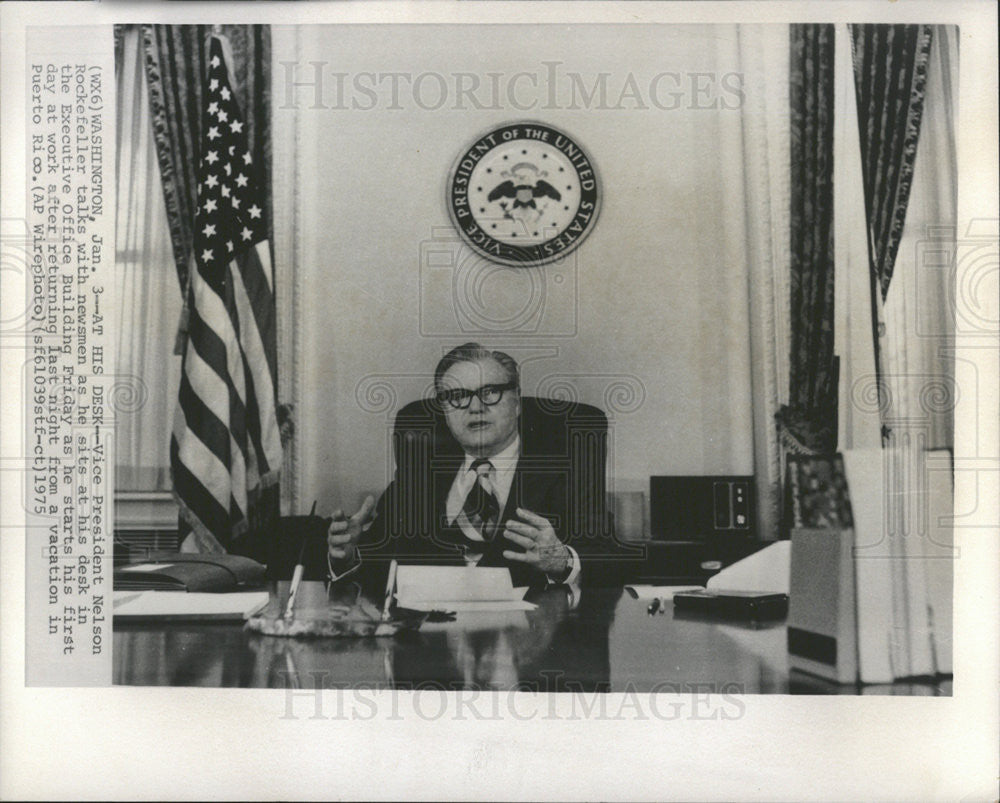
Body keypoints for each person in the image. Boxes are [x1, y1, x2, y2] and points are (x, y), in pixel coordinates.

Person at [326, 342, 631, 591]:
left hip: (530, 648)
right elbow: (381, 567)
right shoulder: (420, 472)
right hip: (436, 648)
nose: (475, 406)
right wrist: (351, 555)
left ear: (517, 403)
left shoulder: (564, 468)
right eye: (457, 396)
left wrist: (562, 560)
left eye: (490, 392)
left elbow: (609, 557)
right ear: (444, 411)